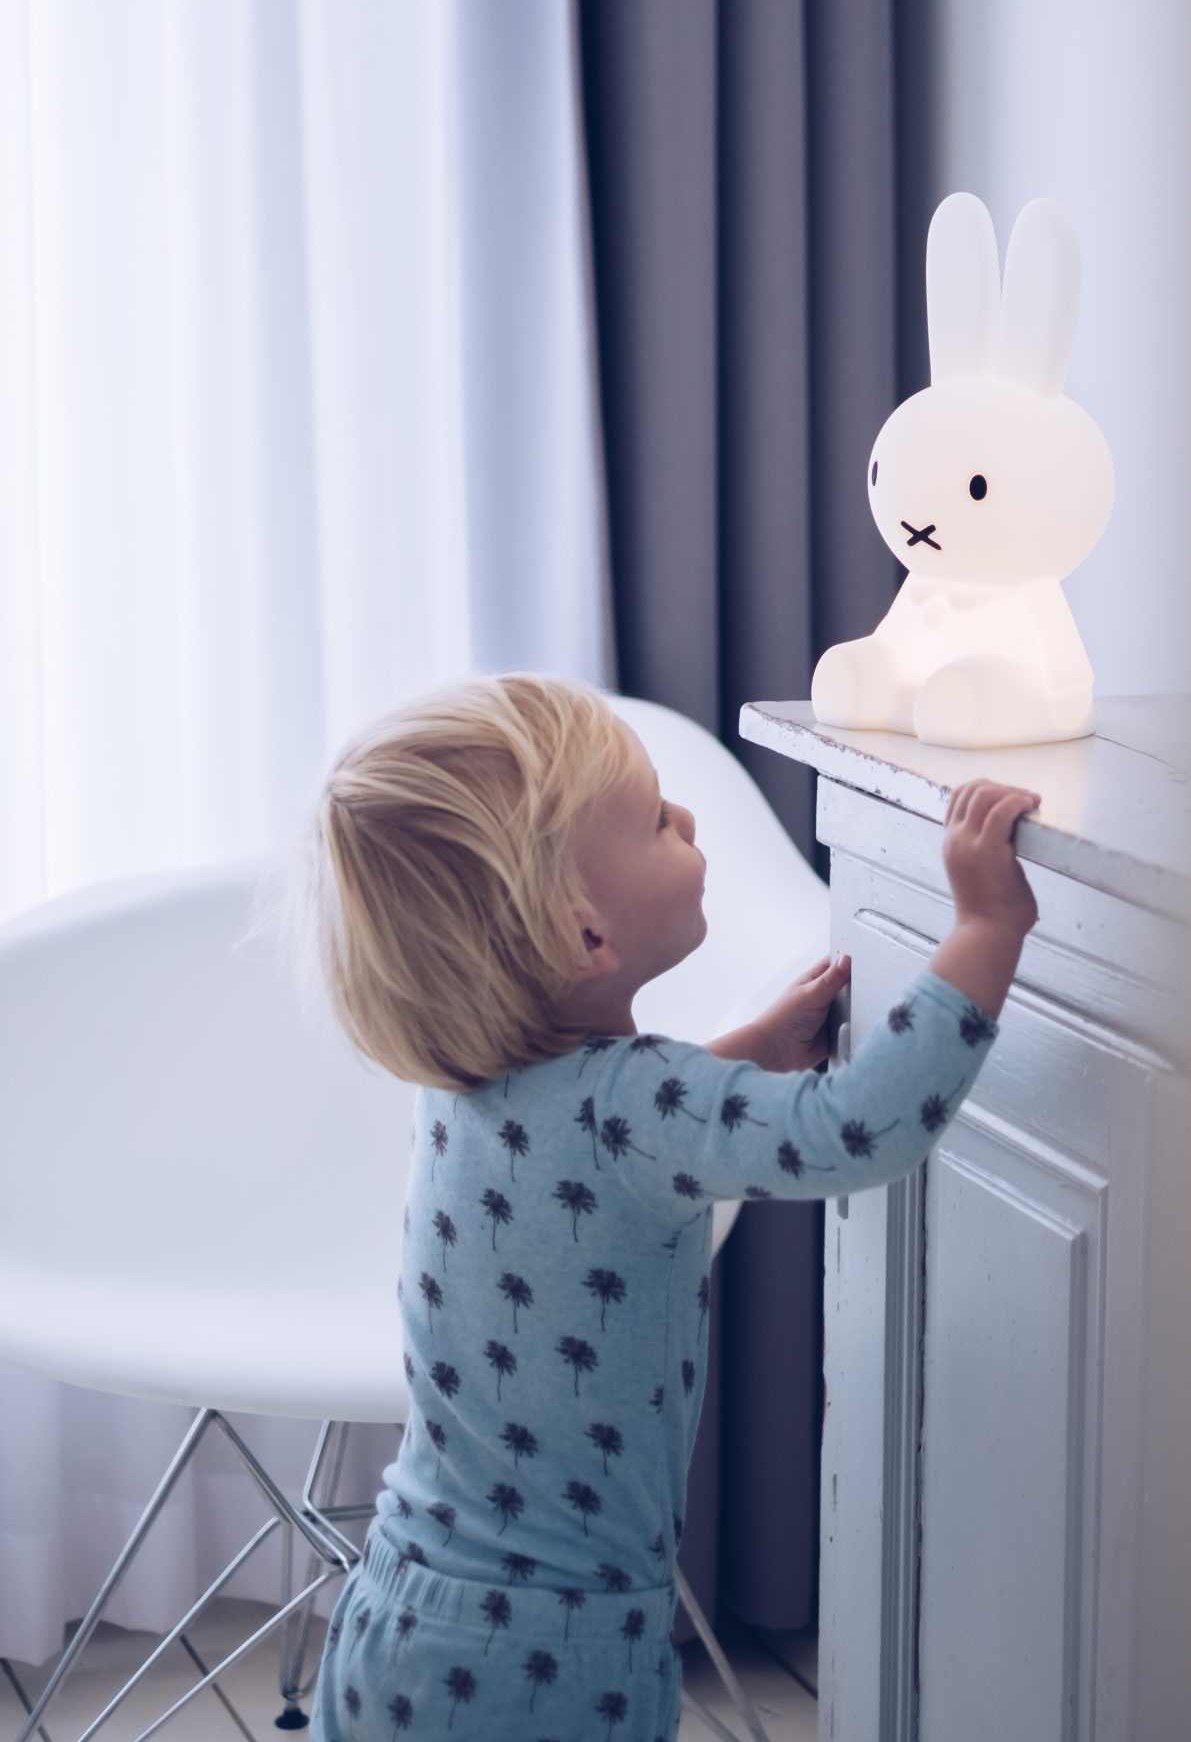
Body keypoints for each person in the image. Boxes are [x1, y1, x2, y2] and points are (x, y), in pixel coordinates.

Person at [294, 671, 1039, 1741]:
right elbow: (859, 1127)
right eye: (655, 820)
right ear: (583, 937)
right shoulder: (639, 1104)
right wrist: (986, 923)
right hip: (552, 1651)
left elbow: (591, 1159)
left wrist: (749, 1054)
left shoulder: (460, 1086)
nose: (686, 820)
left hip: (398, 1607)